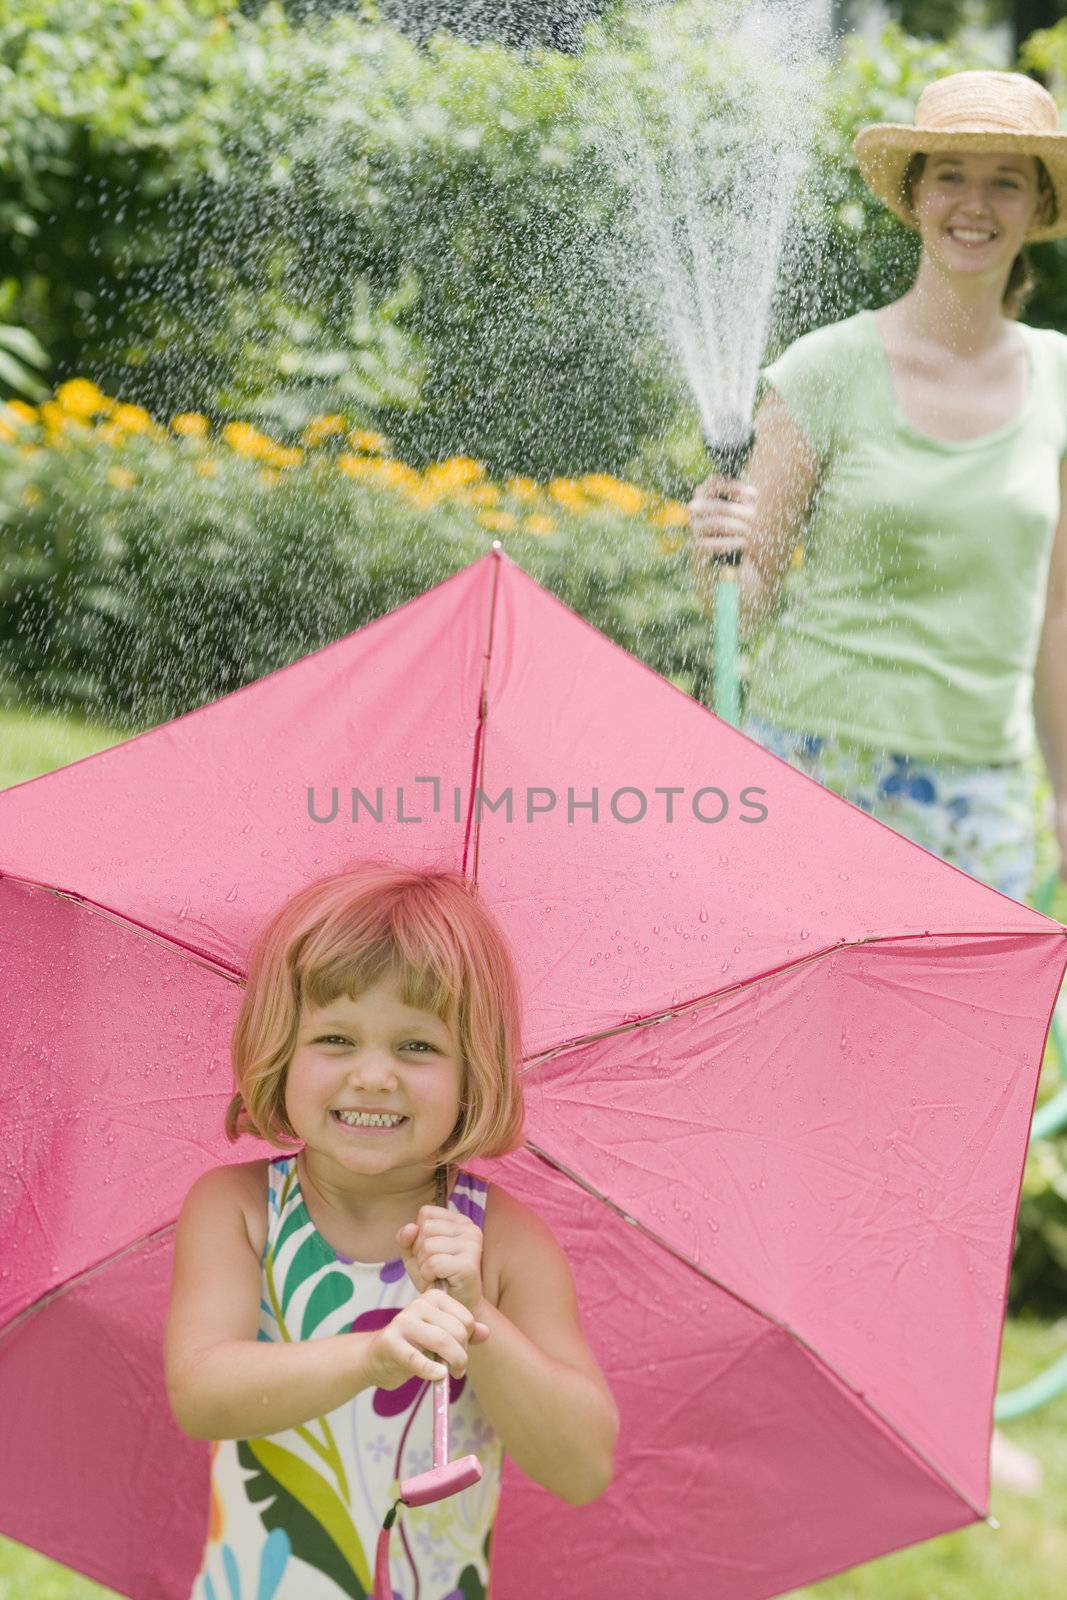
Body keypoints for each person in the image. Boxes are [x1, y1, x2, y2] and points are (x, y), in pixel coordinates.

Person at [165, 859, 618, 1600]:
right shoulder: (241, 1209)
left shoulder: (503, 1244)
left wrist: (477, 1317)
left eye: (417, 1047)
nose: (374, 1076)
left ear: (475, 1073)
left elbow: (582, 1465)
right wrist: (373, 1357)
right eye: (336, 1040)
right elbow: (203, 1394)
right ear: (279, 1049)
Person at [688, 70, 1067, 900]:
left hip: (979, 790)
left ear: (1036, 207)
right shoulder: (825, 369)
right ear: (915, 194)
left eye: (1005, 181)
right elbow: (748, 591)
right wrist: (715, 552)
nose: (975, 202)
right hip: (811, 759)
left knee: (973, 1031)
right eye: (951, 176)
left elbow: (1056, 613)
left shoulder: (1060, 379)